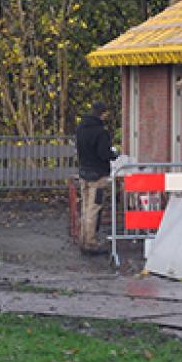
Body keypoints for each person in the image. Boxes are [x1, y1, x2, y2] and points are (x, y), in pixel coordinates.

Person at [75, 101, 118, 253]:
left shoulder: (80, 128)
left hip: (84, 172)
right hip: (98, 175)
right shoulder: (101, 132)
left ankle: (83, 239)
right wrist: (114, 154)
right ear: (103, 113)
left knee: (85, 207)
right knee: (94, 209)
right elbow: (103, 154)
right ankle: (90, 243)